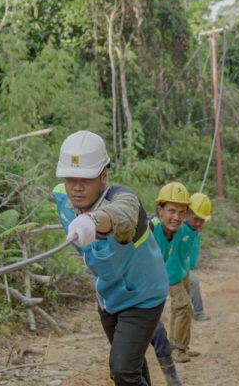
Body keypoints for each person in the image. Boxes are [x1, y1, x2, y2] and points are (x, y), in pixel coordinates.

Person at [52, 130, 168, 386]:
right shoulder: (62, 198)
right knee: (132, 365)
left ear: (104, 175)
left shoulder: (124, 199)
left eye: (87, 179)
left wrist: (92, 221)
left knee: (122, 369)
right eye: (70, 178)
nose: (77, 187)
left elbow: (120, 214)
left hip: (143, 296)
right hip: (109, 297)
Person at [148, 182, 199, 364]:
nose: (176, 217)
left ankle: (176, 346)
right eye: (171, 211)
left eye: (181, 212)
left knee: (183, 308)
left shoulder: (177, 231)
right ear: (160, 210)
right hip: (138, 285)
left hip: (165, 276)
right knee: (183, 307)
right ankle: (177, 350)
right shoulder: (149, 229)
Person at [187, 193, 213, 321]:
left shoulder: (194, 231)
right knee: (193, 282)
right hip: (173, 267)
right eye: (195, 218)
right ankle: (198, 312)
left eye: (201, 220)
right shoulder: (181, 228)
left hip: (185, 266)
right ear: (187, 214)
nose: (198, 223)